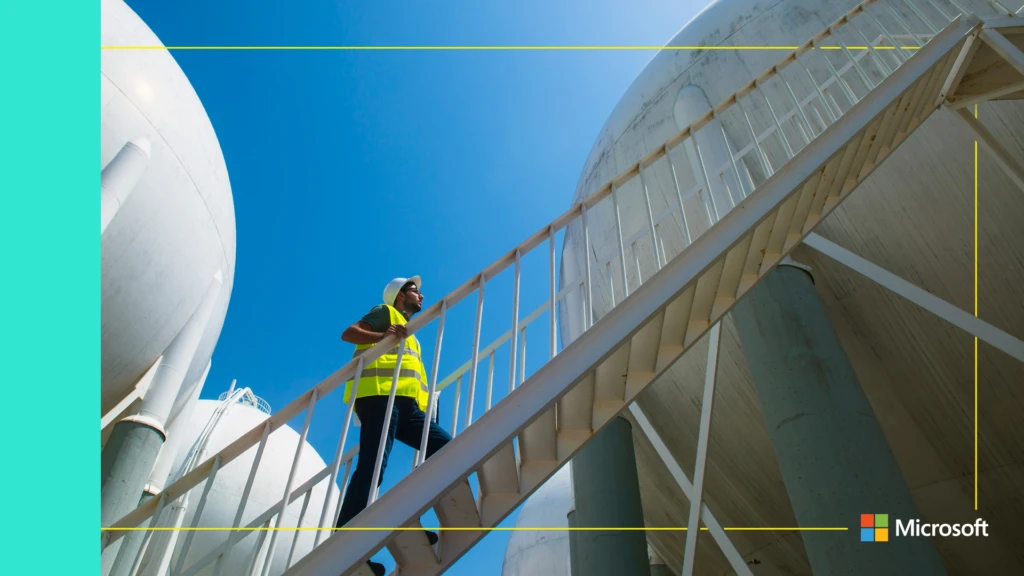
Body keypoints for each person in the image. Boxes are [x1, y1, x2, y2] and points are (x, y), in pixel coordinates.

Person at [335, 276, 452, 576]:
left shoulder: (410, 333)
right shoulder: (386, 313)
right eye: (415, 291)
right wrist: (382, 336)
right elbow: (349, 333)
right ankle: (344, 542)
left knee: (446, 448)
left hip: (405, 406)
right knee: (372, 468)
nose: (422, 295)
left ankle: (408, 514)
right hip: (379, 397)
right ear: (400, 295)